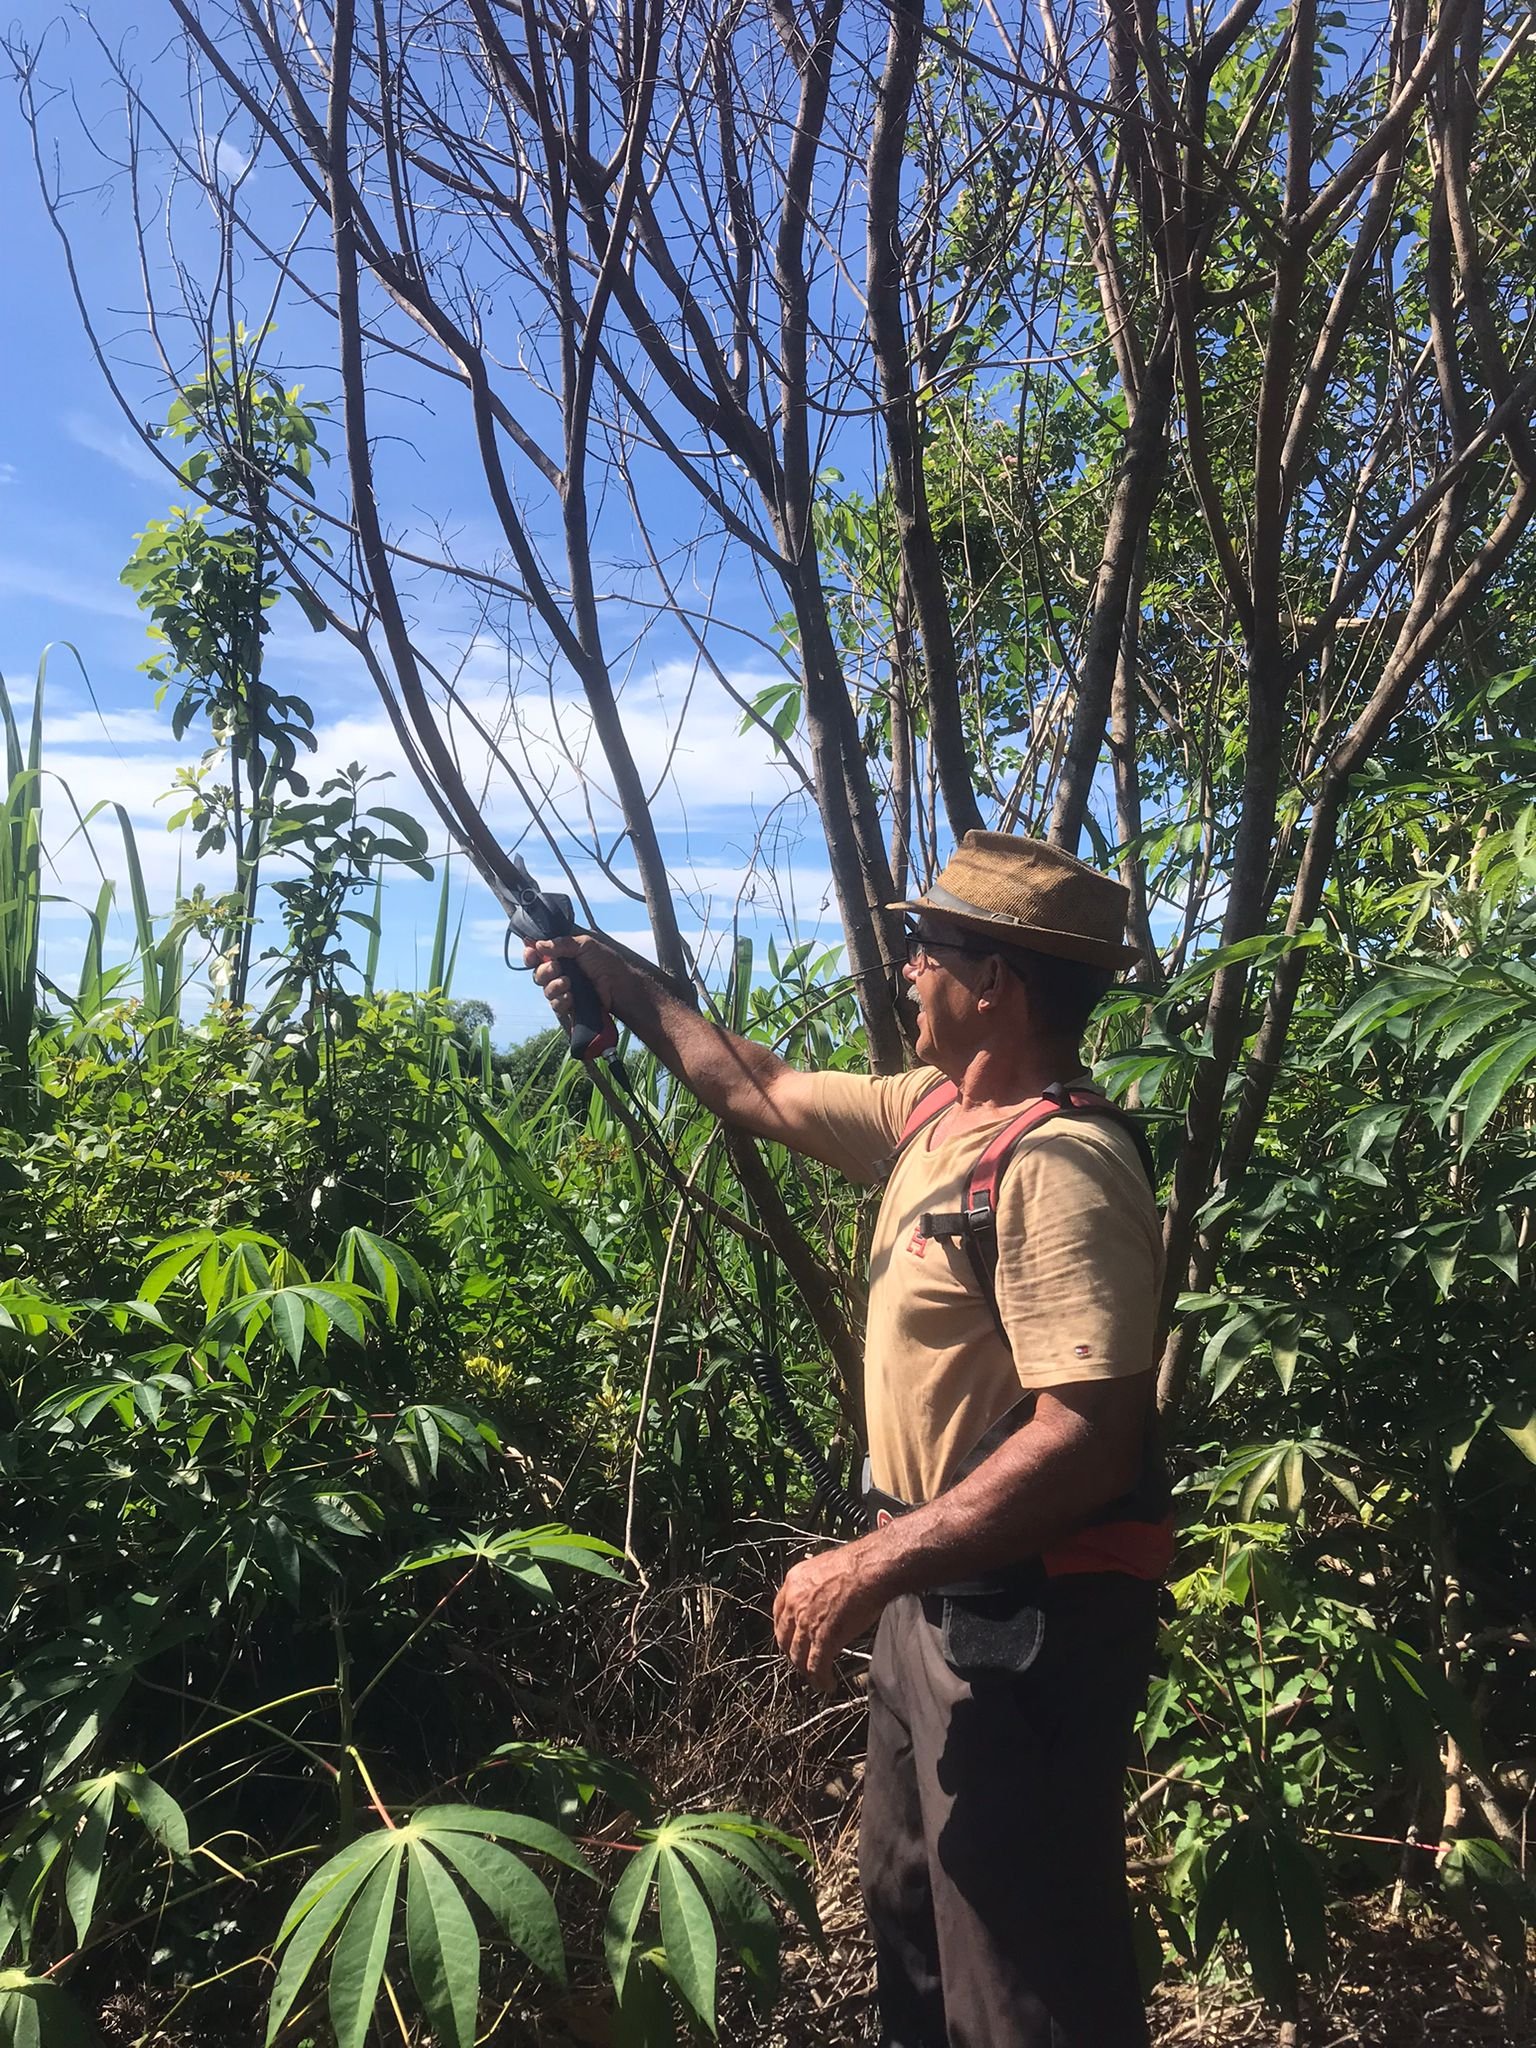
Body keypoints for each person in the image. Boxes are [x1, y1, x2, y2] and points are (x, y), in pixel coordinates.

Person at [526, 831, 1169, 2048]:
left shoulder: (1060, 1165)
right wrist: (619, 977)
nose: (906, 967)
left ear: (1001, 985)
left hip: (1025, 1625)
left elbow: (1089, 1438)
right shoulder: (937, 1113)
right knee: (913, 1918)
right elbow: (752, 1084)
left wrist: (869, 1565)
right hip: (936, 1599)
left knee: (1023, 1974)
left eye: (928, 947)